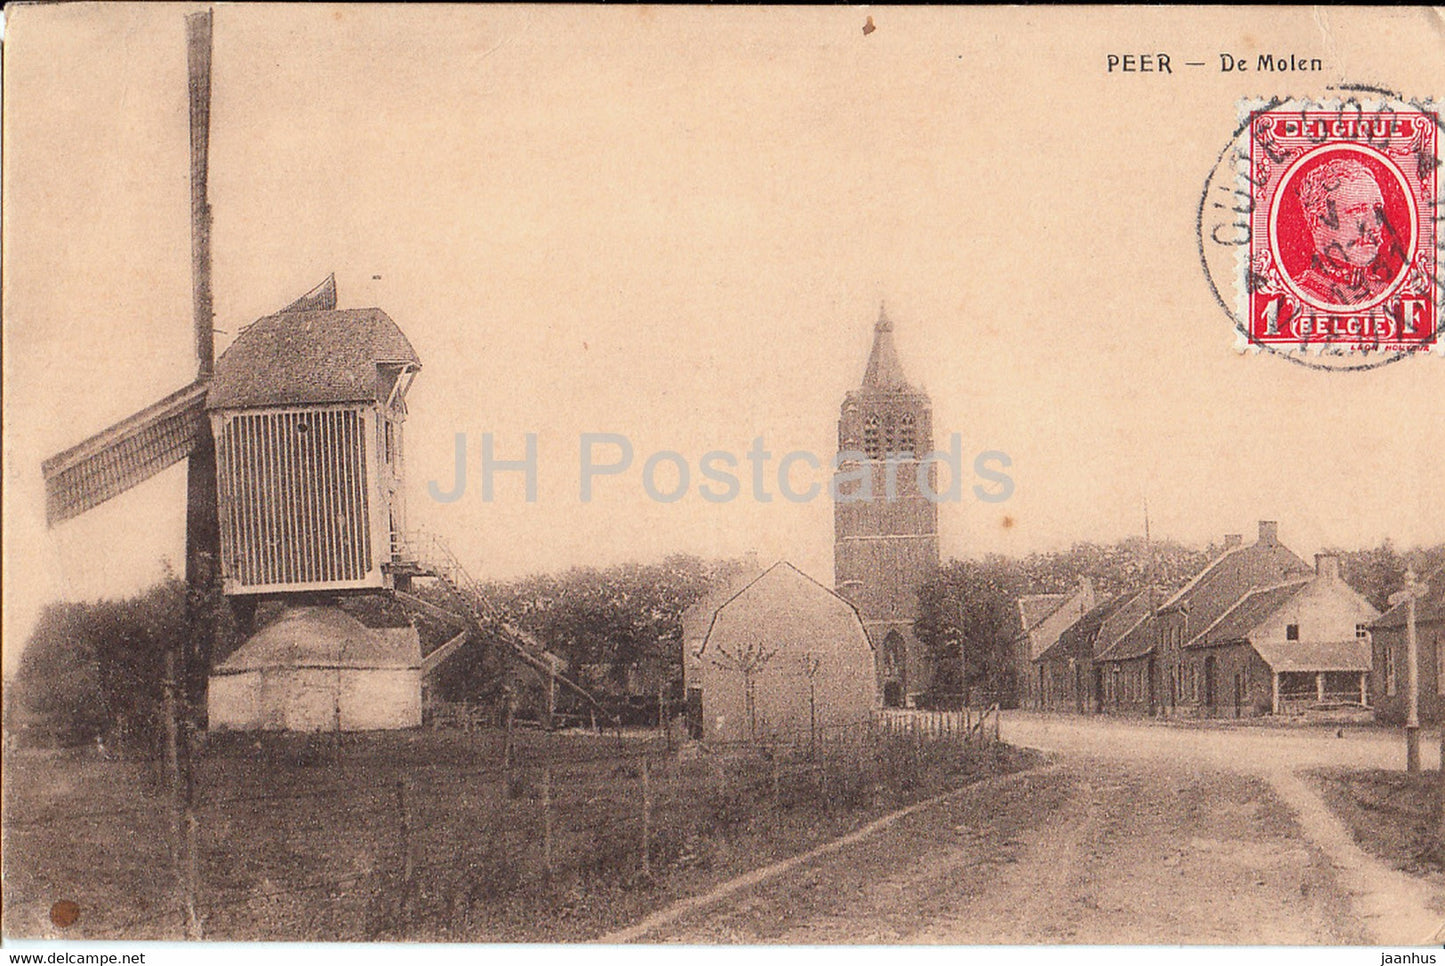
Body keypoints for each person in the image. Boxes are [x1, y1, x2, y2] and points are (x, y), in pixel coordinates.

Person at [1292, 157, 1390, 306]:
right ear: (1316, 220)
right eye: (1357, 210)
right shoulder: (1296, 296)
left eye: (1377, 209)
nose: (1373, 224)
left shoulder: (1386, 293)